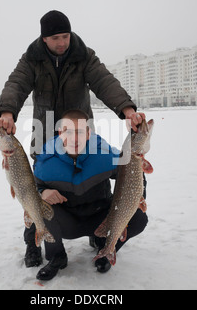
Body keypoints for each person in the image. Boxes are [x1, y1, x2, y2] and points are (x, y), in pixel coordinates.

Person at [0, 10, 146, 268]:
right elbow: (16, 84)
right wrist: (7, 112)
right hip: (45, 132)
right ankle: (34, 241)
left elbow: (104, 82)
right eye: (55, 38)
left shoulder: (83, 55)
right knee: (34, 191)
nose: (62, 42)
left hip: (79, 128)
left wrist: (127, 110)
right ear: (44, 39)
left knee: (94, 183)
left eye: (65, 36)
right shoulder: (32, 59)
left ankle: (98, 232)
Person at [33, 110, 148, 280]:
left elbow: (134, 173)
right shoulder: (46, 162)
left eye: (79, 131)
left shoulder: (105, 154)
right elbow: (30, 191)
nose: (74, 138)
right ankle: (57, 256)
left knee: (138, 217)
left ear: (88, 133)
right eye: (68, 131)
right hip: (69, 222)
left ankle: (107, 247)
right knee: (41, 210)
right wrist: (42, 192)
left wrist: (135, 201)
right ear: (60, 133)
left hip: (101, 217)